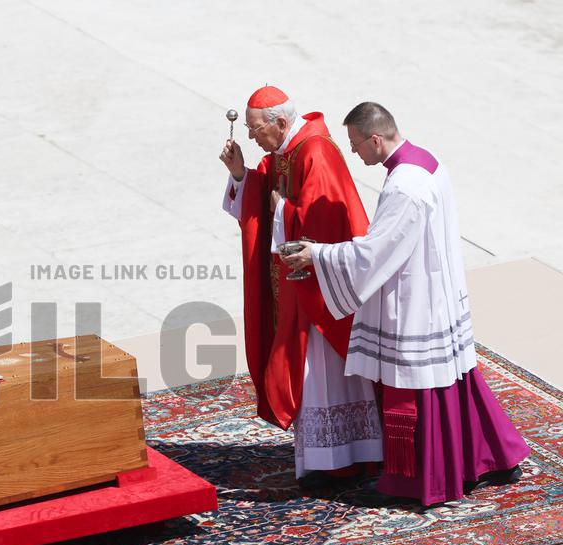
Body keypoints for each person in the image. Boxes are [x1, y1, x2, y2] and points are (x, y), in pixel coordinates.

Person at [283, 102, 529, 505]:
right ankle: (489, 460)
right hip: (440, 288)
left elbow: (375, 254)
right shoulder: (427, 162)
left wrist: (318, 255)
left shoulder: (402, 188)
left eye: (357, 145)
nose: (356, 154)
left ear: (375, 138)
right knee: (457, 381)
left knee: (415, 393)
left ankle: (421, 482)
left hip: (416, 303)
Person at [219, 86, 383, 488]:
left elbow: (324, 226)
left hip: (322, 291)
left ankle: (340, 461)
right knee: (312, 374)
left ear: (280, 122)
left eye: (257, 130)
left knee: (323, 371)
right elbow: (264, 199)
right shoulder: (281, 154)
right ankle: (328, 456)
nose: (253, 138)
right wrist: (241, 175)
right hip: (296, 287)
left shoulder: (316, 152)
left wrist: (282, 211)